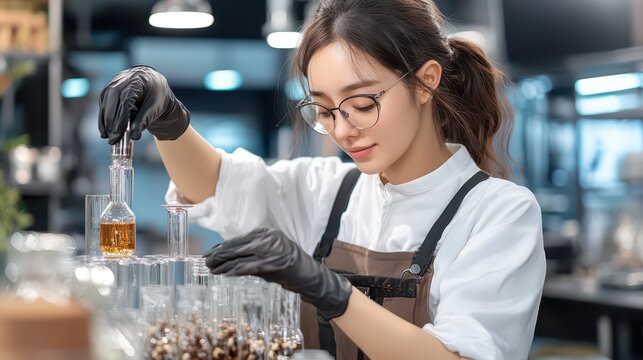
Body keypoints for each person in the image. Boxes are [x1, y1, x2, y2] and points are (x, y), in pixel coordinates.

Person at [98, 0, 546, 358]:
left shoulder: (498, 213)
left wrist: (331, 291)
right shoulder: (331, 193)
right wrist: (170, 120)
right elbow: (215, 186)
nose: (343, 129)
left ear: (426, 82)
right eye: (325, 110)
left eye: (363, 103)